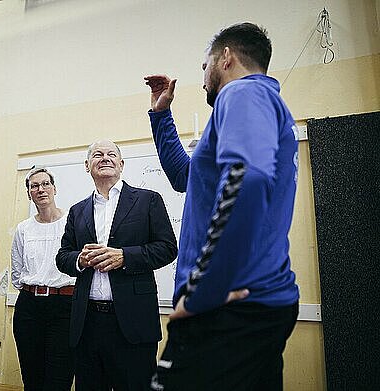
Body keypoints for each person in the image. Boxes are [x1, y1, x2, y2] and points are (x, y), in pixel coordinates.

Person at [144, 22, 300, 390]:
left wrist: (206, 292)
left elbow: (246, 179)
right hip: (257, 301)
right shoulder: (264, 106)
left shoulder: (242, 93)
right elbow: (187, 177)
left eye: (204, 66)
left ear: (226, 57)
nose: (202, 80)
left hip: (229, 304)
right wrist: (162, 116)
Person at [56, 140, 177, 391]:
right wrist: (79, 259)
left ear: (121, 164)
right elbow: (63, 256)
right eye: (97, 155)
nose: (105, 158)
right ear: (87, 166)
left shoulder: (148, 200)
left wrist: (125, 256)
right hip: (87, 323)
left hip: (132, 323)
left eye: (112, 154)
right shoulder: (78, 210)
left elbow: (167, 248)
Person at [11, 167, 76, 391]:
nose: (41, 189)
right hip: (29, 306)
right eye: (34, 186)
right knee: (32, 377)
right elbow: (17, 271)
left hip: (64, 307)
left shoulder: (72, 222)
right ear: (29, 193)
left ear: (55, 188)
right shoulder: (23, 229)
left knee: (59, 378)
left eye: (45, 184)